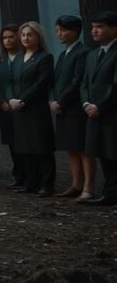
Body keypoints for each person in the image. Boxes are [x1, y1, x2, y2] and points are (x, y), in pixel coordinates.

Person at [9, 21, 56, 197]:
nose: (25, 38)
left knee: (41, 147)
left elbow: (42, 83)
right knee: (25, 147)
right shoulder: (18, 58)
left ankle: (47, 184)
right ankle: (31, 182)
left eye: (30, 34)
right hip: (19, 109)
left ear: (38, 37)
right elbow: (11, 82)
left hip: (36, 109)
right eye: (23, 35)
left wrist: (23, 100)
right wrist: (11, 99)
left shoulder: (45, 57)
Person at [50, 15, 92, 200]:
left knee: (83, 148)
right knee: (71, 147)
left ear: (75, 31)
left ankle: (88, 188)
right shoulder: (63, 54)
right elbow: (55, 80)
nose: (59, 34)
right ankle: (76, 184)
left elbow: (77, 81)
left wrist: (60, 101)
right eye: (57, 30)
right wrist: (52, 100)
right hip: (62, 108)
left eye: (63, 30)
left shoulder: (83, 52)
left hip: (75, 109)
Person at [81, 11, 117, 207]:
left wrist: (100, 107)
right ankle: (110, 194)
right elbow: (84, 84)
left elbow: (115, 85)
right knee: (104, 154)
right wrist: (86, 104)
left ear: (114, 29)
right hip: (93, 113)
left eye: (100, 27)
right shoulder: (93, 54)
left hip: (111, 113)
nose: (94, 31)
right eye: (93, 27)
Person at [0, 24, 24, 189]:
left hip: (23, 107)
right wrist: (1, 102)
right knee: (12, 143)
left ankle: (32, 175)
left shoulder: (25, 56)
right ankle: (18, 175)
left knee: (26, 142)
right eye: (5, 38)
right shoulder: (0, 60)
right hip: (5, 109)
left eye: (11, 37)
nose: (8, 40)